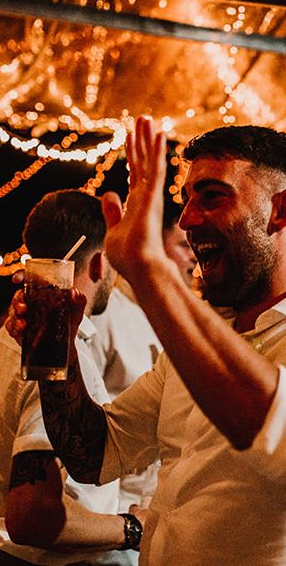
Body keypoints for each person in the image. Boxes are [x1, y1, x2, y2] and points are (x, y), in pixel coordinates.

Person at [9, 119, 286, 565]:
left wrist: (151, 272)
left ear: (281, 211)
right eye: (185, 200)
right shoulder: (207, 333)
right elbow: (93, 453)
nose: (187, 219)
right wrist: (59, 350)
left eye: (212, 197)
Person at [0, 190, 144, 566]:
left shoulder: (20, 333)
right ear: (99, 263)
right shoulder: (48, 349)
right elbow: (34, 517)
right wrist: (132, 527)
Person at [90, 199, 196, 513]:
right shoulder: (105, 313)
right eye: (182, 245)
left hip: (157, 507)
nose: (193, 255)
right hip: (111, 509)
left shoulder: (179, 318)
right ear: (153, 248)